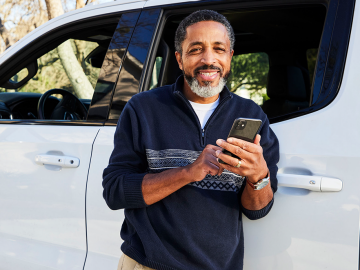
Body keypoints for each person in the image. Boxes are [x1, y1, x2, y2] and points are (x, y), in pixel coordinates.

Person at [102, 9, 280, 270]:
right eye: (196, 49)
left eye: (219, 49)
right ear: (179, 58)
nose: (209, 60)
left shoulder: (252, 116)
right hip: (148, 264)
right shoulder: (144, 109)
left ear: (229, 56)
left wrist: (258, 176)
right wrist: (188, 172)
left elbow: (257, 210)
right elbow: (115, 192)